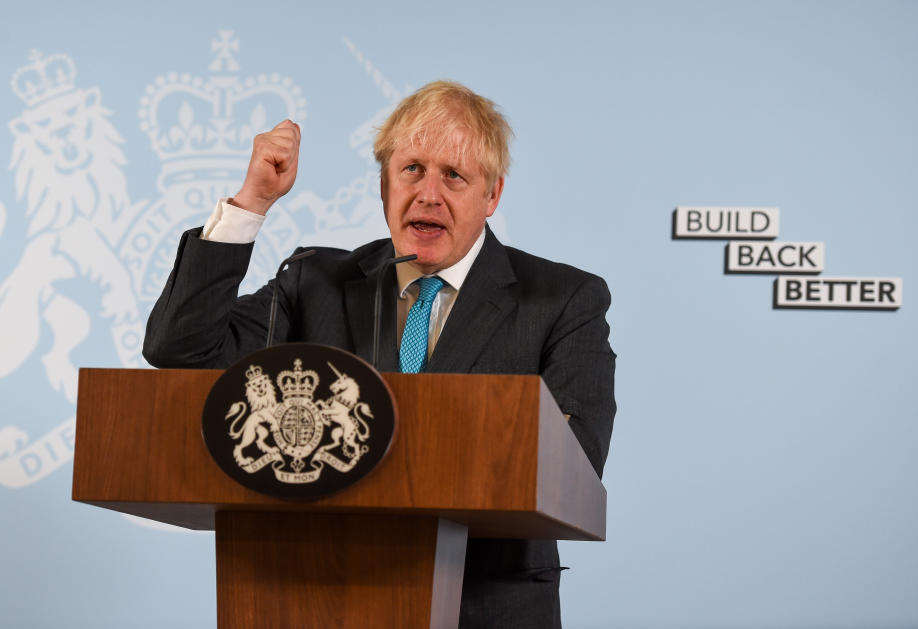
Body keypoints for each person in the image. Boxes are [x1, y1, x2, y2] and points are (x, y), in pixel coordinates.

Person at [143, 80, 615, 628]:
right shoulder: (314, 281)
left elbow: (573, 461)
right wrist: (253, 204)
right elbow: (182, 351)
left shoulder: (562, 299)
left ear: (493, 196)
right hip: (321, 600)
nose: (428, 194)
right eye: (411, 169)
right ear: (384, 185)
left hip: (486, 607)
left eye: (454, 175)